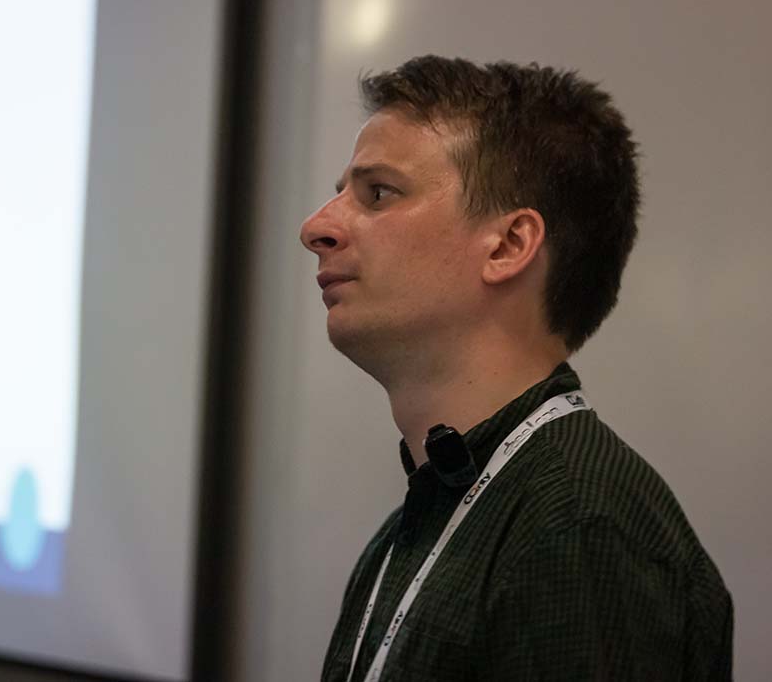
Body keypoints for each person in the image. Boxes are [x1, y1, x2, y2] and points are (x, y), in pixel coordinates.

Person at [300, 56, 733, 681]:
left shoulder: (578, 528)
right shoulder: (420, 524)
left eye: (378, 193)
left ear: (508, 245)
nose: (316, 227)